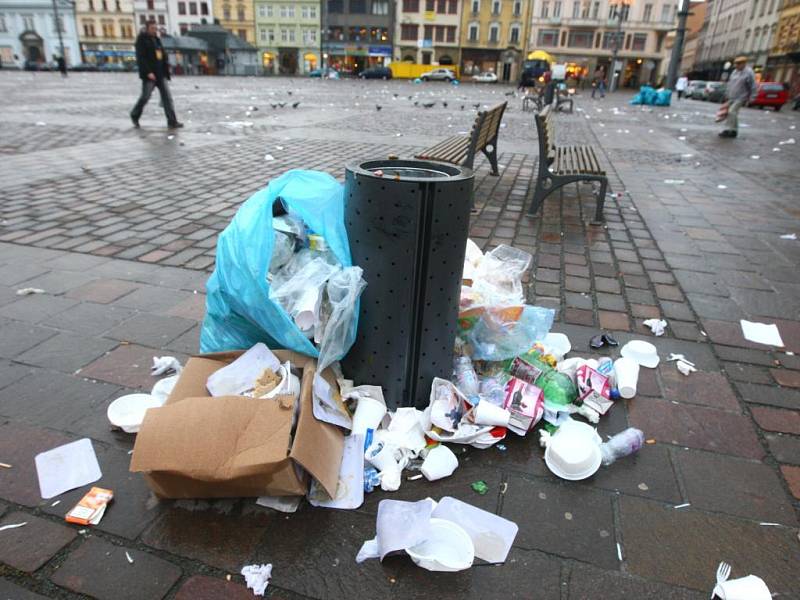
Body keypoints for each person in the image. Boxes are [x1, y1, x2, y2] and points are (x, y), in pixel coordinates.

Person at [130, 21, 182, 129]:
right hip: (150, 74)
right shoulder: (142, 40)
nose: (155, 30)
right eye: (153, 28)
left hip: (160, 74)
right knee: (145, 96)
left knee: (167, 98)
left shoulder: (157, 40)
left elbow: (162, 56)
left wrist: (166, 68)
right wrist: (148, 72)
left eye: (156, 28)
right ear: (147, 28)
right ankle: (135, 114)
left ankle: (172, 121)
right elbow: (141, 58)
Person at [720, 56, 756, 138]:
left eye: (738, 64)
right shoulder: (734, 72)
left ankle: (729, 129)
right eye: (736, 64)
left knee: (732, 111)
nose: (736, 66)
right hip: (732, 96)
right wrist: (727, 94)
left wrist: (752, 97)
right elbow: (730, 84)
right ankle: (733, 130)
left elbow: (753, 86)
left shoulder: (749, 73)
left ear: (744, 64)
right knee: (731, 113)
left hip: (741, 96)